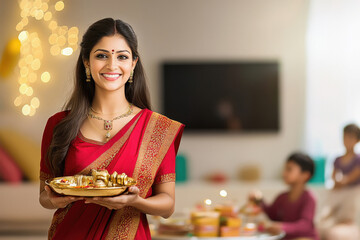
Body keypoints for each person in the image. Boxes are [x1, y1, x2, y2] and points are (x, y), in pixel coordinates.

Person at [39, 18, 184, 240]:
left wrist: (135, 201)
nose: (112, 65)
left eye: (122, 56)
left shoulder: (157, 129)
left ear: (133, 63)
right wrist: (56, 199)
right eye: (101, 55)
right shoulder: (59, 124)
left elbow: (167, 206)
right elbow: (44, 196)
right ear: (87, 62)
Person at [250, 152, 319, 240]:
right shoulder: (282, 197)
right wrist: (259, 200)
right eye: (285, 169)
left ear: (305, 175)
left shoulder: (309, 198)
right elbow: (272, 214)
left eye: (289, 169)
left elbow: (305, 225)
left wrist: (282, 227)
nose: (284, 173)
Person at [318, 124, 360, 239]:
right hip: (339, 191)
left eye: (351, 138)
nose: (347, 141)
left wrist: (343, 181)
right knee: (325, 215)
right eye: (345, 137)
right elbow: (333, 176)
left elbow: (354, 176)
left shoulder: (358, 159)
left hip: (353, 192)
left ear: (357, 140)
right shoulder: (337, 159)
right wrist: (338, 182)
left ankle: (344, 223)